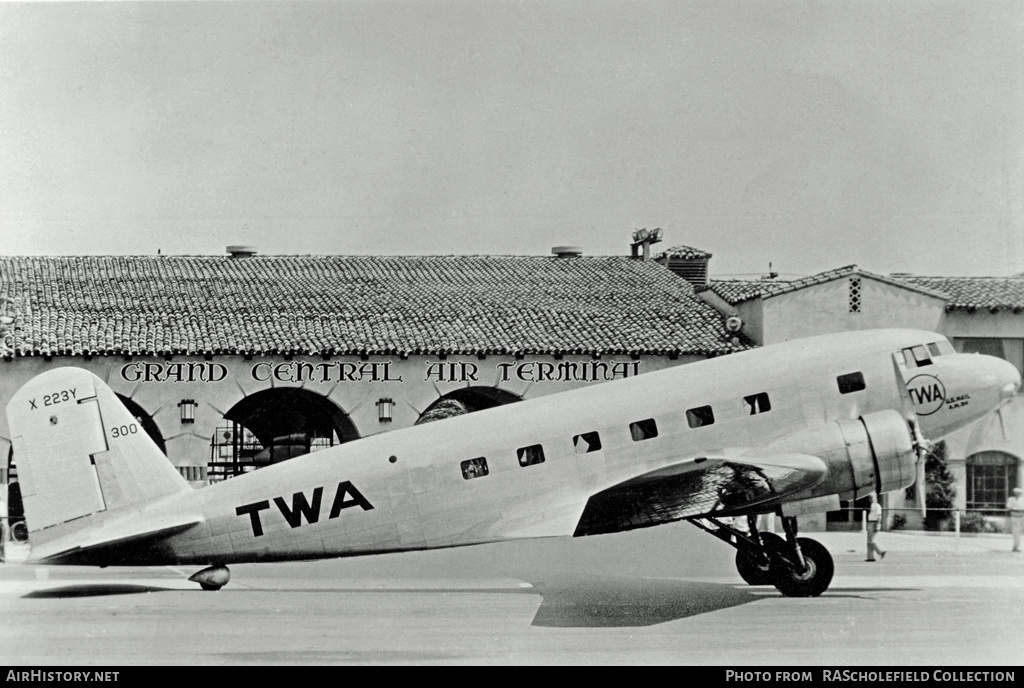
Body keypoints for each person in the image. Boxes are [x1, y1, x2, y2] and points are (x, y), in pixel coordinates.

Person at [866, 493, 886, 561]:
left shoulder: (877, 506)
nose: (870, 499)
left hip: (874, 523)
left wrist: (877, 524)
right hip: (870, 522)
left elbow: (879, 516)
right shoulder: (872, 505)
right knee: (869, 541)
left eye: (871, 497)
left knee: (870, 540)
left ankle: (880, 551)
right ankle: (870, 557)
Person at [1007, 487, 1024, 553]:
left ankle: (1017, 547)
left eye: (1019, 493)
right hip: (1014, 517)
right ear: (1014, 493)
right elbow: (1008, 507)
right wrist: (1014, 507)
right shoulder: (1011, 499)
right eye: (1016, 493)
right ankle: (1015, 547)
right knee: (1015, 532)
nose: (1018, 494)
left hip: (1021, 517)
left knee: (1019, 533)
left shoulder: (1022, 500)